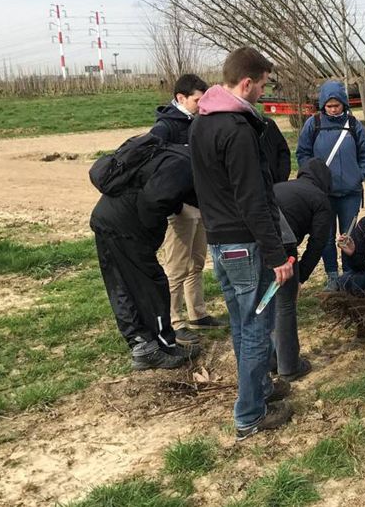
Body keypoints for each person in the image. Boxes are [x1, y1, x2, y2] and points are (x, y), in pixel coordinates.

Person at [189, 47, 294, 440]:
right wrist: (277, 253)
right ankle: (249, 414)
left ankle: (261, 390)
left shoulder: (201, 122)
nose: (263, 93)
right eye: (263, 85)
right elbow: (253, 200)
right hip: (247, 247)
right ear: (246, 82)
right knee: (255, 326)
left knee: (240, 321)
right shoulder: (236, 131)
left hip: (220, 243)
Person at [90, 134, 201, 371]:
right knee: (152, 285)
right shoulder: (186, 163)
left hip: (106, 218)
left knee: (122, 286)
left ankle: (143, 346)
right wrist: (148, 235)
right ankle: (162, 344)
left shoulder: (173, 151)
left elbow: (166, 191)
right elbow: (154, 200)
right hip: (126, 227)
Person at [149, 74, 225, 347]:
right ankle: (174, 321)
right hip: (181, 210)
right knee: (176, 268)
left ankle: (198, 313)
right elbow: (155, 167)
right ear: (181, 98)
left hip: (201, 204)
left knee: (196, 262)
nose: (201, 104)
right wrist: (175, 203)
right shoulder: (165, 127)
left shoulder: (198, 121)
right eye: (197, 100)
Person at [296, 80, 365, 291]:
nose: (332, 109)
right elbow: (303, 153)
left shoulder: (354, 125)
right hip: (322, 193)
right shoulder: (314, 124)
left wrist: (360, 174)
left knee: (348, 236)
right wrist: (311, 178)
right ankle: (332, 276)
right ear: (322, 105)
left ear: (344, 104)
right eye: (328, 106)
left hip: (350, 192)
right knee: (325, 236)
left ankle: (347, 276)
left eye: (336, 105)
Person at [270, 158, 334, 381]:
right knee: (285, 304)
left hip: (256, 238)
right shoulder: (320, 199)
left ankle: (270, 359)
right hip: (284, 243)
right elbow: (318, 243)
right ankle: (288, 366)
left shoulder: (282, 186)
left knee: (266, 301)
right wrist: (300, 277)